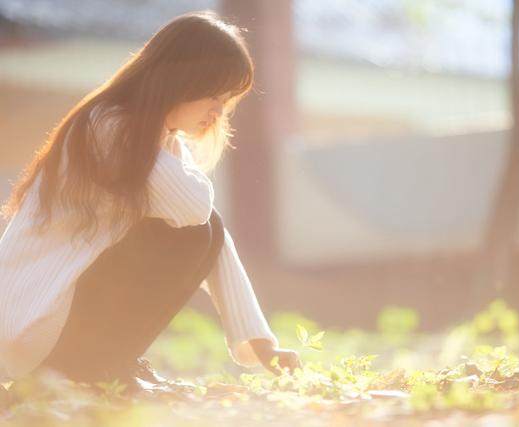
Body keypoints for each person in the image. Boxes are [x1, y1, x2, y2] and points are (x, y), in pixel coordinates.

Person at [0, 10, 300, 394]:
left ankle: (107, 365)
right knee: (189, 233)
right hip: (34, 322)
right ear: (180, 81)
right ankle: (93, 371)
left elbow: (211, 230)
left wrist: (263, 345)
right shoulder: (108, 126)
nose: (218, 112)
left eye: (226, 101)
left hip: (51, 319)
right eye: (214, 96)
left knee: (201, 231)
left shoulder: (153, 136)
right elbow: (194, 211)